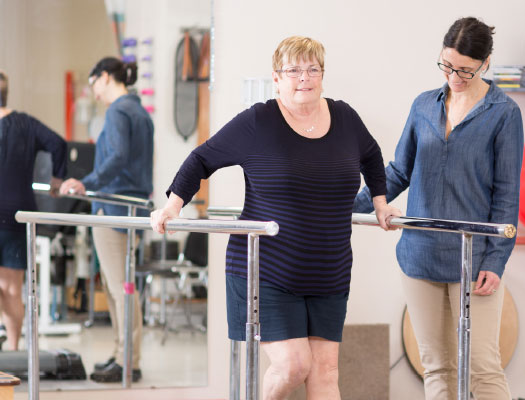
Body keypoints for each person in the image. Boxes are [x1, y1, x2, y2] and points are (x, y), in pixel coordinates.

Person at [150, 36, 401, 400]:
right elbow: (201, 159)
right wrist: (174, 206)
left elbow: (372, 155)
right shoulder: (258, 121)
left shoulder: (344, 116)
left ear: (322, 74)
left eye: (312, 69)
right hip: (267, 269)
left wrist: (380, 202)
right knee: (293, 366)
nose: (304, 78)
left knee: (326, 372)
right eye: (294, 70)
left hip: (329, 269)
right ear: (276, 78)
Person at [354, 17, 524, 400]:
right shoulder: (423, 106)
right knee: (436, 367)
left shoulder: (503, 113)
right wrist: (350, 204)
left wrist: (496, 261)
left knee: (483, 367)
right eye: (447, 66)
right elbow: (399, 171)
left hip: (474, 261)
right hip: (420, 256)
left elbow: (507, 195)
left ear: (486, 63)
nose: (455, 76)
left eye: (465, 69)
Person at [60, 57, 153, 382]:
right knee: (119, 288)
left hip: (114, 209)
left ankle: (129, 361)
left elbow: (117, 158)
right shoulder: (140, 112)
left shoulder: (117, 111)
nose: (93, 91)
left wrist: (88, 182)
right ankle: (121, 354)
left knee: (122, 289)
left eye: (93, 83)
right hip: (129, 210)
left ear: (106, 77)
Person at [0, 70, 67, 351]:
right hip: (18, 213)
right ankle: (13, 351)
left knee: (9, 288)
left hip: (10, 214)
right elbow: (58, 143)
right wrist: (58, 179)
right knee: (13, 288)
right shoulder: (25, 123)